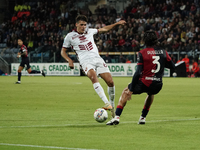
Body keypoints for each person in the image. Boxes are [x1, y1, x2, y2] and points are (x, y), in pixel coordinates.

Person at [61, 15, 126, 117]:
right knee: (93, 77)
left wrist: (116, 24)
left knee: (110, 81)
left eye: (85, 25)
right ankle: (106, 103)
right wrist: (69, 60)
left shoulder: (90, 31)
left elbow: (104, 29)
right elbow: (63, 51)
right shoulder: (70, 36)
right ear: (76, 24)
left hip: (97, 59)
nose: (83, 27)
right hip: (85, 61)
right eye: (81, 25)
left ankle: (112, 105)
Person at [106, 30, 175, 125]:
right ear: (156, 40)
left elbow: (138, 72)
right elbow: (172, 67)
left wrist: (131, 89)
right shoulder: (163, 52)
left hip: (144, 83)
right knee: (151, 94)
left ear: (145, 40)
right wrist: (162, 64)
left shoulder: (142, 53)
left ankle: (116, 117)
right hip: (158, 84)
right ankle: (143, 118)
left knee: (125, 91)